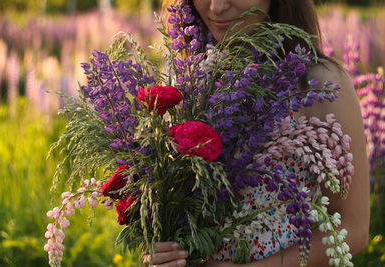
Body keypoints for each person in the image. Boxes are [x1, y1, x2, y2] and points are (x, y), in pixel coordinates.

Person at [143, 0, 370, 266]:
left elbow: (354, 231)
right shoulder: (187, 83)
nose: (216, 7)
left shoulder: (318, 84)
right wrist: (162, 253)